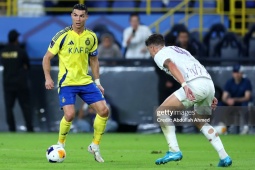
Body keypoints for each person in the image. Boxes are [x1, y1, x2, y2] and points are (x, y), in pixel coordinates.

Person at [145, 34, 232, 167]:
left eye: (149, 51)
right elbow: (196, 64)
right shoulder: (179, 50)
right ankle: (224, 156)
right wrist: (209, 92)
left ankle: (174, 150)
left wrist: (185, 86)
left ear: (153, 48)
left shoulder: (160, 54)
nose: (150, 54)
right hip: (207, 83)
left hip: (193, 85)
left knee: (161, 112)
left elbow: (171, 65)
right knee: (200, 121)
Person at [42, 4, 109, 163]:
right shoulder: (62, 35)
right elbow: (46, 58)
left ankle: (95, 145)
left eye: (81, 16)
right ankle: (60, 144)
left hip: (85, 81)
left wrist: (97, 81)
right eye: (75, 15)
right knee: (70, 114)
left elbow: (94, 59)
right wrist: (48, 78)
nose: (78, 19)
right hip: (67, 82)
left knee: (104, 111)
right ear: (71, 16)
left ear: (86, 17)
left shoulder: (91, 36)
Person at [0, 29, 33, 132]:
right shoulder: (21, 51)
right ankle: (29, 128)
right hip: (20, 83)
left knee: (9, 107)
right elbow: (27, 65)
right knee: (25, 106)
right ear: (16, 39)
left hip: (8, 83)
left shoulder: (3, 52)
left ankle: (12, 129)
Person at [222, 64, 252, 134]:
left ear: (242, 73)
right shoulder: (229, 82)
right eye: (235, 72)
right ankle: (225, 128)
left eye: (238, 72)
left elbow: (247, 97)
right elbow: (224, 97)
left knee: (245, 105)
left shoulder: (246, 82)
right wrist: (228, 101)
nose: (237, 74)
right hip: (232, 104)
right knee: (221, 104)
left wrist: (234, 100)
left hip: (242, 103)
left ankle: (245, 127)